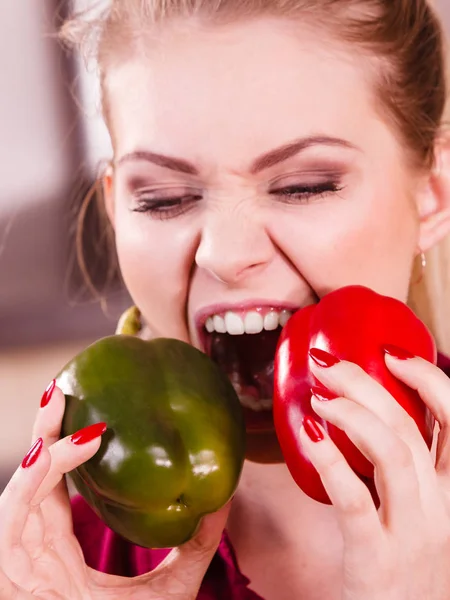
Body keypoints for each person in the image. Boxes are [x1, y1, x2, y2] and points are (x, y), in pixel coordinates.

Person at [2, 0, 450, 598]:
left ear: (432, 195)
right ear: (115, 210)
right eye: (163, 198)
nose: (224, 253)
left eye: (302, 186)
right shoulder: (56, 568)